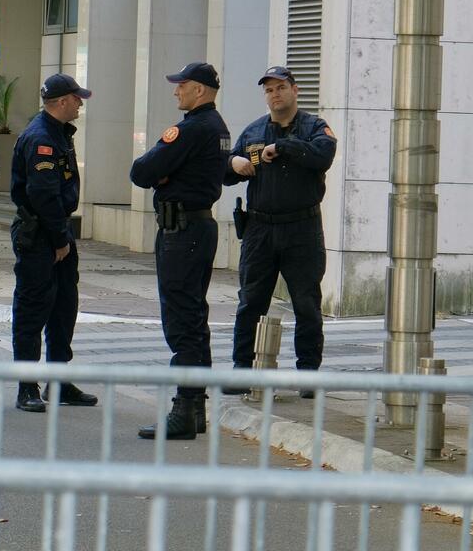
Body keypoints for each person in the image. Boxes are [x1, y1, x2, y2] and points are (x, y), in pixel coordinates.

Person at [130, 62, 230, 439]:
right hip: (198, 228)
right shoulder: (217, 127)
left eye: (182, 85)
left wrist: (162, 173)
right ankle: (196, 408)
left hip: (182, 230)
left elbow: (141, 172)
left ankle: (184, 409)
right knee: (194, 315)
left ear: (200, 91)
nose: (176, 91)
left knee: (181, 318)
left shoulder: (191, 129)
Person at [223, 65, 336, 398]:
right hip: (260, 229)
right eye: (269, 90)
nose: (275, 95)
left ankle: (308, 375)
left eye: (281, 88)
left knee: (306, 304)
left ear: (295, 90)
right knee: (250, 302)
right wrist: (235, 164)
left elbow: (322, 156)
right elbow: (227, 169)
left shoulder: (315, 127)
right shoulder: (255, 130)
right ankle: (242, 370)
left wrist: (284, 147)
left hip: (301, 229)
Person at [9, 73, 98, 413]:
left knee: (63, 308)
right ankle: (26, 387)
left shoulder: (58, 132)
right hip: (41, 236)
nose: (80, 103)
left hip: (56, 232)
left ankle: (58, 381)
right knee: (32, 311)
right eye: (77, 98)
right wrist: (60, 239)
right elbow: (42, 193)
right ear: (61, 102)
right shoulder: (41, 138)